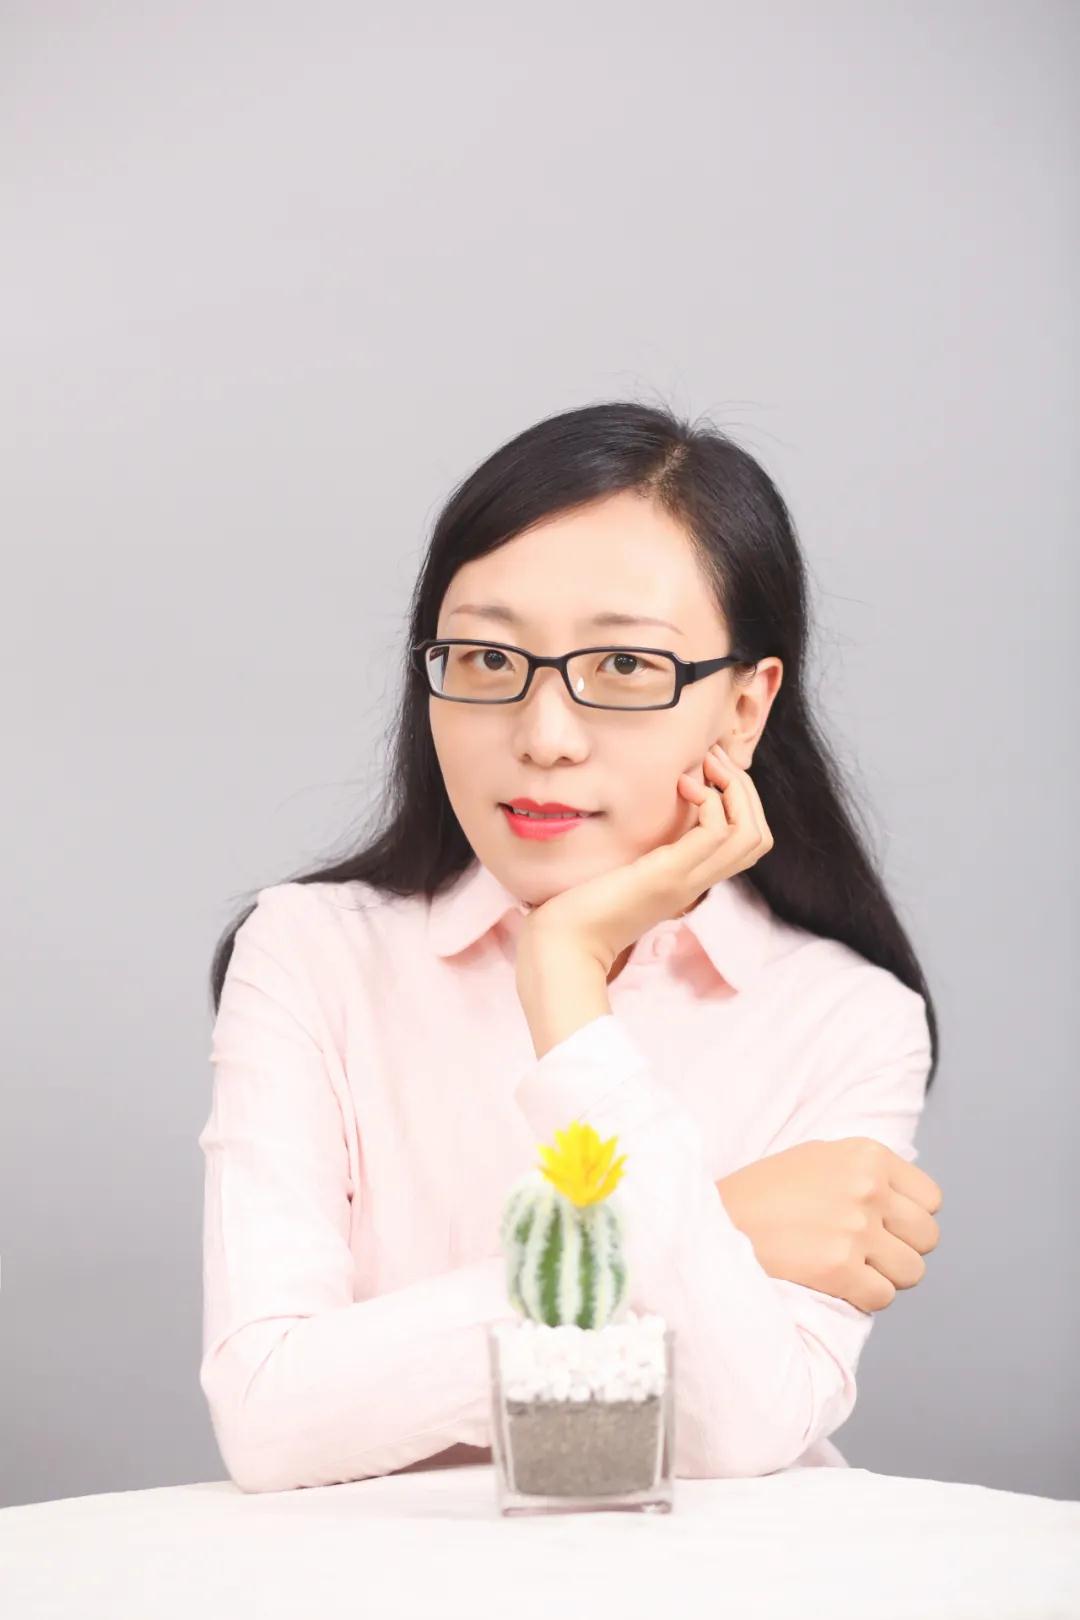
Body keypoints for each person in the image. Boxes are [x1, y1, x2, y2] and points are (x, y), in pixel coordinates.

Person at [198, 400, 943, 1494]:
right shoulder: (311, 956)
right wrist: (693, 1231)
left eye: (626, 666)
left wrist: (564, 987)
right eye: (486, 657)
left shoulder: (845, 1014)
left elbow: (738, 1435)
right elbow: (271, 1419)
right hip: (379, 1577)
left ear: (744, 708)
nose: (543, 735)